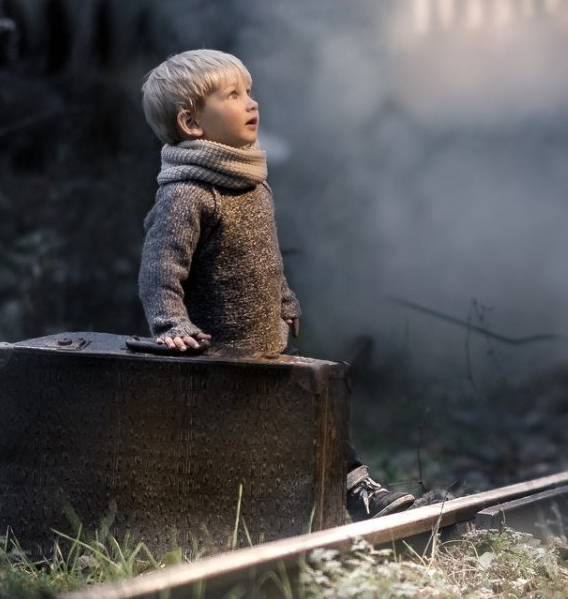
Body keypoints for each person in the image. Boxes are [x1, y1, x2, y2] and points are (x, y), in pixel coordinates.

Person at [137, 48, 415, 520]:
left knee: (313, 410)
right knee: (244, 437)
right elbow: (160, 268)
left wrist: (284, 298)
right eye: (233, 95)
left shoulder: (252, 181)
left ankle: (354, 492)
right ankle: (241, 515)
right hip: (218, 356)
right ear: (191, 123)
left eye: (249, 91)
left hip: (265, 344)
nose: (251, 103)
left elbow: (264, 257)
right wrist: (169, 323)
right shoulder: (187, 192)